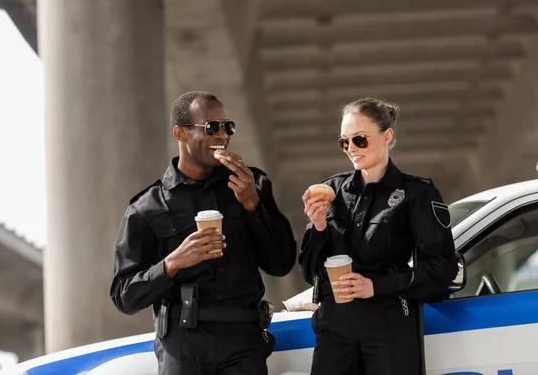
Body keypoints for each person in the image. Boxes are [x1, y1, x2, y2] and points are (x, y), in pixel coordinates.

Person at [110, 91, 296, 375]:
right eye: (211, 127)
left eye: (227, 127)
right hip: (183, 343)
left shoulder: (251, 183)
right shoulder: (147, 207)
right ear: (181, 133)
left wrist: (253, 206)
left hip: (243, 340)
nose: (222, 135)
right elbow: (124, 296)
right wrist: (172, 263)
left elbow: (281, 264)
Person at [299, 97, 458, 375]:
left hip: (389, 326)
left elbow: (441, 269)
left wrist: (375, 287)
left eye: (360, 140)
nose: (351, 149)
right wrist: (319, 226)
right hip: (334, 328)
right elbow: (309, 270)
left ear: (387, 136)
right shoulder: (329, 192)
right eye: (344, 142)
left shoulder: (417, 193)